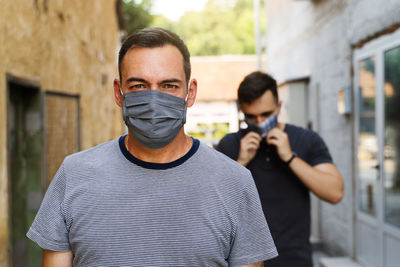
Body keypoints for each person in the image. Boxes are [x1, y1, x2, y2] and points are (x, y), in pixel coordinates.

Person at [27, 28, 278, 266]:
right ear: (118, 92)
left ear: (190, 93)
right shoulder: (74, 175)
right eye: (139, 86)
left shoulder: (235, 183)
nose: (154, 99)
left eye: (169, 86)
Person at [216, 71, 344, 267]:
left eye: (266, 114)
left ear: (279, 106)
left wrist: (290, 157)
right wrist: (240, 163)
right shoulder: (230, 145)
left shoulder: (305, 139)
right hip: (244, 262)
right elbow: (213, 206)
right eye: (251, 116)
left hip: (295, 260)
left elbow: (335, 192)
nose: (259, 122)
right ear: (242, 111)